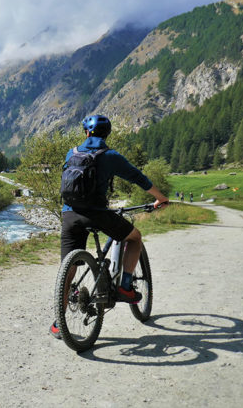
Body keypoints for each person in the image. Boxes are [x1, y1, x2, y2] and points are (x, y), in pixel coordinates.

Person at [50, 115, 168, 339]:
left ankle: (59, 322)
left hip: (69, 214)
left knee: (69, 266)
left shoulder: (71, 153)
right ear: (107, 134)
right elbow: (138, 178)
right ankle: (125, 286)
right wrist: (160, 197)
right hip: (98, 215)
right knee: (134, 238)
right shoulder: (110, 156)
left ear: (86, 133)